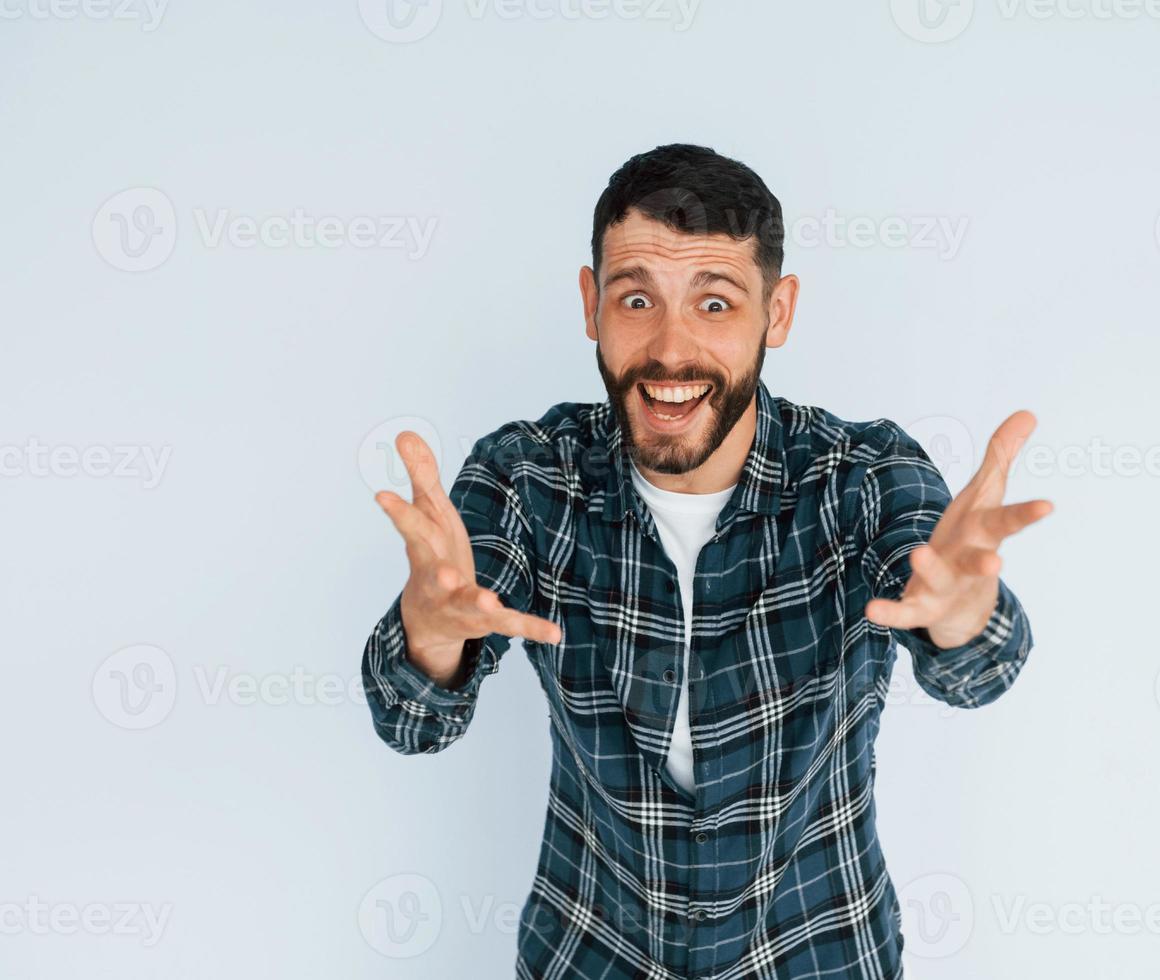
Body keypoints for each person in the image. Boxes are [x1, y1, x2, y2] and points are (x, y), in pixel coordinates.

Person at [361, 143, 1052, 978]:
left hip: (819, 949)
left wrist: (964, 617)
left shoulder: (863, 478)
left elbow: (977, 670)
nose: (671, 350)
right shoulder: (527, 477)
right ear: (591, 305)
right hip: (591, 950)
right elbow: (412, 721)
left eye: (716, 304)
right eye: (638, 298)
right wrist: (433, 637)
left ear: (779, 312)